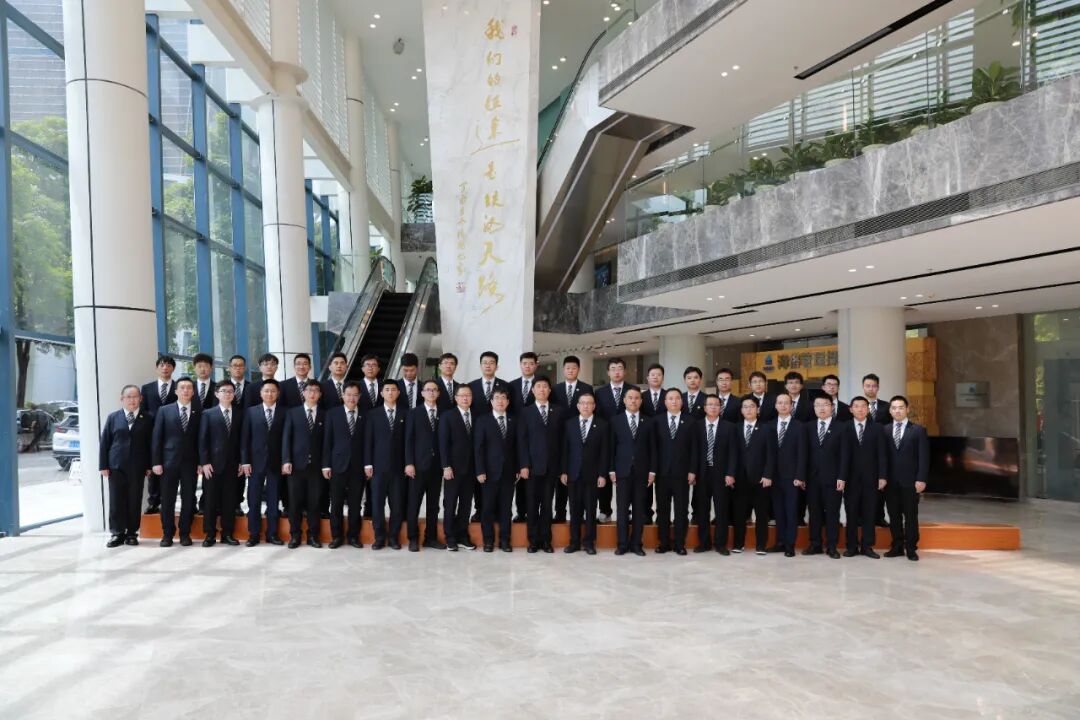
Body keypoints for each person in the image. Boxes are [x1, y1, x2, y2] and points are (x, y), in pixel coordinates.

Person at [99, 385, 153, 547]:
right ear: (122, 399)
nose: (132, 400)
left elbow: (151, 444)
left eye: (135, 397)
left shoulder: (148, 418)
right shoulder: (113, 417)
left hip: (138, 466)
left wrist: (149, 465)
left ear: (140, 399)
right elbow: (105, 442)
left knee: (134, 500)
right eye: (129, 397)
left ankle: (131, 533)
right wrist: (103, 465)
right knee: (116, 500)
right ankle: (117, 533)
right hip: (116, 466)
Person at [151, 377, 200, 547]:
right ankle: (167, 534)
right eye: (182, 387)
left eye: (189, 388)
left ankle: (185, 533)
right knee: (167, 500)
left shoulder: (199, 411)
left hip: (190, 463)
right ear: (176, 391)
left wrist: (201, 462)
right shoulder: (164, 410)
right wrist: (156, 462)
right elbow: (157, 438)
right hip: (168, 463)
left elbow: (201, 439)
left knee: (189, 499)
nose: (186, 390)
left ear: (193, 392)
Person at [517, 377, 563, 553]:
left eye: (545, 386)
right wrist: (524, 465)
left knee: (547, 504)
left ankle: (546, 540)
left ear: (550, 390)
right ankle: (533, 540)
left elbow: (562, 441)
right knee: (531, 505)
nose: (542, 389)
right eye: (539, 386)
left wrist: (561, 467)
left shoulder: (558, 411)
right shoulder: (525, 412)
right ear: (533, 390)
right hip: (531, 467)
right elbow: (522, 441)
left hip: (551, 467)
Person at [608, 386, 654, 556]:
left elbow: (653, 448)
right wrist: (611, 469)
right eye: (630, 398)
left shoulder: (648, 421)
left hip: (642, 471)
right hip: (622, 471)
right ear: (624, 400)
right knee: (621, 509)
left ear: (641, 401)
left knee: (639, 510)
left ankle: (636, 544)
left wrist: (652, 471)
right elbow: (611, 447)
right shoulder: (615, 421)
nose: (633, 400)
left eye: (636, 398)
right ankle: (622, 544)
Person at [560, 392, 607, 555]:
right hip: (573, 473)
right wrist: (564, 471)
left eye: (589, 403)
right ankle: (574, 542)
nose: (586, 406)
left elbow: (605, 452)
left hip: (593, 475)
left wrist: (602, 474)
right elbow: (565, 450)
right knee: (574, 510)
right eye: (583, 403)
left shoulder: (602, 425)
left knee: (591, 509)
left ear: (594, 406)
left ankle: (589, 543)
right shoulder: (570, 424)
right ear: (578, 406)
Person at [198, 381, 243, 547]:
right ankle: (209, 534)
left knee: (229, 501)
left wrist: (242, 461)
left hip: (233, 465)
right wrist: (204, 462)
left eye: (231, 391)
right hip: (212, 465)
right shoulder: (208, 414)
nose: (227, 394)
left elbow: (243, 440)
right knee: (210, 500)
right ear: (217, 394)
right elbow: (202, 440)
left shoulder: (240, 414)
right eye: (224, 391)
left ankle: (227, 533)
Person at [241, 379, 285, 546]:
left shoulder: (284, 412)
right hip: (254, 462)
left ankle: (272, 534)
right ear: (260, 393)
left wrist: (285, 461)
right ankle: (253, 534)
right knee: (254, 499)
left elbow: (286, 439)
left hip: (276, 462)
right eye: (266, 391)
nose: (269, 394)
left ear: (278, 393)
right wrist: (245, 461)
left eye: (273, 391)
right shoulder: (251, 412)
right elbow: (245, 439)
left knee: (274, 499)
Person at [884, 395, 929, 561]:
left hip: (911, 481)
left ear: (907, 409)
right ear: (890, 411)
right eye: (894, 408)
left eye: (901, 407)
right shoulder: (884, 430)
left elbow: (924, 457)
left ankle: (911, 548)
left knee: (911, 516)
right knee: (894, 515)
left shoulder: (918, 430)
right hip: (890, 482)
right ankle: (897, 546)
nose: (897, 410)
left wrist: (921, 479)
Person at [282, 380, 325, 548]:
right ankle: (295, 535)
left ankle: (313, 535)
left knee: (315, 502)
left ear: (320, 394)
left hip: (317, 466)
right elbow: (286, 438)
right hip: (296, 466)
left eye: (316, 390)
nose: (312, 393)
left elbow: (327, 442)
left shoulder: (325, 414)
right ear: (304, 393)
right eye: (309, 390)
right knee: (295, 502)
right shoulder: (293, 413)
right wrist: (286, 460)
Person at [322, 382, 366, 548]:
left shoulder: (366, 414)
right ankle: (337, 537)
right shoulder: (333, 414)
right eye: (348, 395)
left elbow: (368, 442)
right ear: (343, 395)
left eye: (355, 395)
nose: (351, 398)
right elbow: (327, 441)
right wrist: (326, 465)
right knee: (336, 503)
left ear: (359, 397)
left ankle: (353, 536)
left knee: (355, 503)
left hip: (358, 466)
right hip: (337, 465)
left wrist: (367, 464)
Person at [364, 380, 407, 550]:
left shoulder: (405, 413)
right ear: (381, 393)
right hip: (378, 468)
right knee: (377, 504)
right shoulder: (372, 414)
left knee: (397, 505)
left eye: (393, 390)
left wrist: (408, 463)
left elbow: (408, 442)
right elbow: (368, 440)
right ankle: (379, 537)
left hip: (399, 467)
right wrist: (368, 463)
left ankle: (394, 537)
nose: (390, 392)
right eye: (387, 390)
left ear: (398, 393)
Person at [804, 396, 848, 559]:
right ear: (814, 408)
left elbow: (845, 455)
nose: (822, 408)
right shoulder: (807, 427)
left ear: (832, 407)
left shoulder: (842, 427)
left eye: (825, 405)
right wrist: (802, 476)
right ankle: (815, 544)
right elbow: (803, 454)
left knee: (832, 513)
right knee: (814, 512)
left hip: (833, 478)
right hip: (812, 478)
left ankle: (832, 546)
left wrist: (842, 476)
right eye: (818, 405)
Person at [404, 379, 446, 551]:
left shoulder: (444, 413)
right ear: (422, 393)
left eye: (434, 390)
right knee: (414, 503)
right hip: (418, 466)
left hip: (436, 467)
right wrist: (409, 463)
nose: (431, 392)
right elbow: (408, 440)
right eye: (428, 390)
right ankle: (413, 538)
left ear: (438, 393)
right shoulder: (414, 413)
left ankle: (431, 538)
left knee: (433, 505)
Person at [654, 388, 696, 555]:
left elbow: (694, 449)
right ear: (665, 402)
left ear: (681, 401)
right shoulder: (657, 421)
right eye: (670, 398)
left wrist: (692, 470)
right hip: (662, 474)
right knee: (662, 510)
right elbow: (653, 449)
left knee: (681, 510)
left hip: (682, 474)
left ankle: (679, 543)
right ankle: (663, 542)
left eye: (677, 398)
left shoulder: (690, 421)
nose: (674, 401)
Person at [844, 396, 887, 558]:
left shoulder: (877, 428)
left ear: (868, 409)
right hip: (850, 478)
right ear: (851, 409)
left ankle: (867, 546)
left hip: (871, 478)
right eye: (856, 406)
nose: (860, 409)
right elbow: (842, 455)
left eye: (863, 406)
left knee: (870, 512)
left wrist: (882, 476)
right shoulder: (845, 427)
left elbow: (882, 454)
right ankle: (851, 546)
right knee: (851, 513)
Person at [475, 388, 518, 552]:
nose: (500, 401)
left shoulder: (514, 420)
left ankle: (505, 541)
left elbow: (517, 446)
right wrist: (480, 470)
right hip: (488, 473)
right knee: (487, 508)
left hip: (509, 472)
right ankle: (488, 541)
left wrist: (518, 468)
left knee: (506, 509)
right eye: (497, 398)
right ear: (491, 401)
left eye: (503, 398)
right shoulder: (482, 420)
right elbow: (478, 448)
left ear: (508, 402)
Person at [693, 394, 738, 554]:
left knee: (721, 510)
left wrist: (731, 473)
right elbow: (693, 452)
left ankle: (720, 544)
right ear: (705, 408)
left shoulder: (729, 427)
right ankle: (704, 543)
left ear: (721, 408)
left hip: (722, 474)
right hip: (702, 474)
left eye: (716, 405)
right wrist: (692, 471)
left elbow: (733, 453)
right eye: (710, 405)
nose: (713, 407)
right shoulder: (696, 426)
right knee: (702, 510)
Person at [731, 396, 774, 555]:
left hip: (761, 478)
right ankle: (738, 544)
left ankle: (761, 545)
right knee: (739, 513)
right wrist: (730, 474)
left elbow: (771, 455)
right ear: (741, 410)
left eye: (752, 406)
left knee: (761, 514)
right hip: (740, 478)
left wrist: (768, 474)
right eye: (745, 407)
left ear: (758, 409)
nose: (748, 409)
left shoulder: (767, 429)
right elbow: (731, 454)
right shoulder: (735, 428)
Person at [551, 355, 591, 523]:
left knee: (579, 477)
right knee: (561, 476)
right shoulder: (555, 389)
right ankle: (560, 512)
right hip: (559, 436)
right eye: (568, 368)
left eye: (574, 368)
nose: (570, 370)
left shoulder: (586, 388)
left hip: (580, 436)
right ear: (563, 370)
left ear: (578, 370)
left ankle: (581, 513)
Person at [765, 392, 805, 557]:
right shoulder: (768, 425)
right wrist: (767, 475)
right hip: (773, 477)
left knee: (791, 512)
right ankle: (780, 542)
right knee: (778, 512)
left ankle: (790, 545)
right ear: (775, 406)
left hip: (792, 477)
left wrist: (800, 476)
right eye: (780, 403)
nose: (783, 405)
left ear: (791, 405)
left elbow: (802, 454)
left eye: (786, 403)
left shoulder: (799, 426)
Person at [592, 358, 632, 523]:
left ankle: (627, 510)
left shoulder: (633, 390)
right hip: (606, 438)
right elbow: (597, 416)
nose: (617, 372)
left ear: (625, 371)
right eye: (613, 368)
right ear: (608, 372)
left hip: (626, 439)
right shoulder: (599, 393)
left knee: (627, 475)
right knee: (604, 473)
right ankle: (605, 510)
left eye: (620, 368)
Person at [439, 384, 477, 550]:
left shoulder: (477, 415)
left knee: (466, 503)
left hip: (471, 468)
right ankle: (450, 537)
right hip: (453, 468)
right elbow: (443, 443)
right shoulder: (447, 416)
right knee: (450, 503)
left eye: (468, 395)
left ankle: (463, 536)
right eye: (462, 395)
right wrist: (446, 466)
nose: (465, 398)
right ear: (456, 398)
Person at [141, 354, 177, 514]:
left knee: (171, 470)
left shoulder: (179, 387)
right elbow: (143, 411)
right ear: (157, 368)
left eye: (168, 365)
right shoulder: (147, 388)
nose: (165, 368)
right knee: (154, 468)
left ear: (173, 368)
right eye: (162, 365)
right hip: (152, 434)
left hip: (173, 434)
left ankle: (168, 502)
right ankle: (153, 502)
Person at [507, 352, 539, 523]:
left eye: (531, 363)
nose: (527, 366)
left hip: (536, 437)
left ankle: (535, 511)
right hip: (515, 436)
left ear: (536, 365)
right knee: (520, 475)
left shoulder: (542, 385)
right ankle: (521, 511)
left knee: (536, 476)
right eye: (524, 363)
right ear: (520, 365)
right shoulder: (511, 386)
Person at [862, 372, 892, 528]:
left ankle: (879, 517)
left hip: (882, 452)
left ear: (878, 388)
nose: (871, 388)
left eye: (874, 386)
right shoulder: (857, 406)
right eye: (868, 386)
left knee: (881, 487)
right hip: (862, 453)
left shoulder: (887, 407)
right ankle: (862, 517)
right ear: (863, 387)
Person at [226, 354, 252, 518]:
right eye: (234, 365)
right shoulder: (222, 387)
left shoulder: (252, 387)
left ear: (245, 368)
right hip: (226, 435)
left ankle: (237, 503)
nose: (238, 368)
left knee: (241, 470)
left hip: (247, 435)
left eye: (241, 365)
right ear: (229, 368)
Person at [468, 350, 510, 417]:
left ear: (497, 367)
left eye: (491, 363)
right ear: (480, 366)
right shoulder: (471, 386)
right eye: (485, 363)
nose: (488, 366)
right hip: (476, 422)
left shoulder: (505, 385)